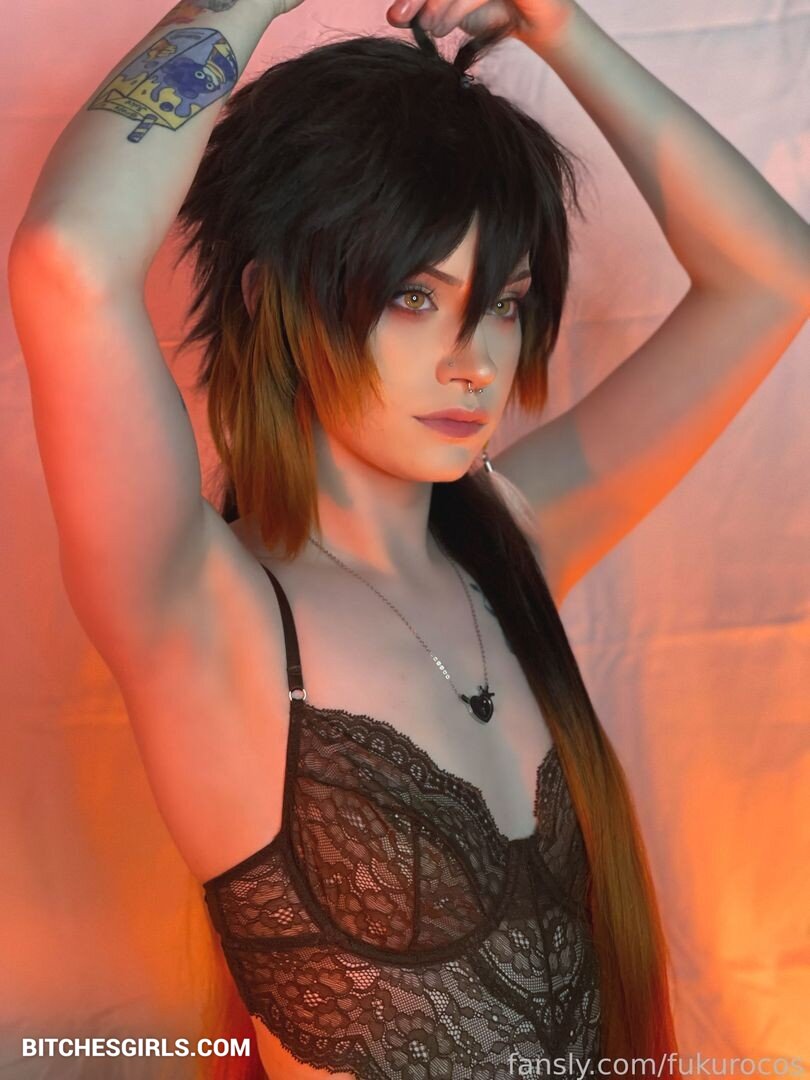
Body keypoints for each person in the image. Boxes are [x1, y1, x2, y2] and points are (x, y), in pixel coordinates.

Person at [8, 0, 808, 1076]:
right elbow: (67, 262)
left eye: (504, 305)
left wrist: (554, 26)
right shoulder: (207, 616)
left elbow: (775, 278)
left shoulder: (510, 548)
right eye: (411, 296)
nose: (474, 363)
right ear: (273, 297)